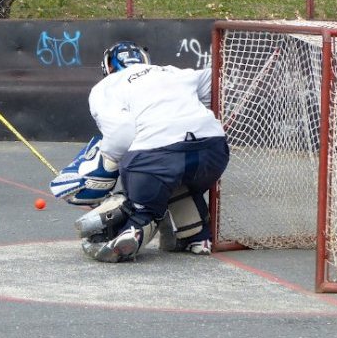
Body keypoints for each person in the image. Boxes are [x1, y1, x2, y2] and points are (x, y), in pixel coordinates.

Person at [51, 41, 229, 262]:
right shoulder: (173, 72)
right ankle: (197, 236)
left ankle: (135, 225)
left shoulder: (105, 87)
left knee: (141, 189)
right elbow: (215, 83)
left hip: (156, 159)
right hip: (213, 153)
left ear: (108, 67)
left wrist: (101, 167)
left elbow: (121, 136)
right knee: (179, 185)